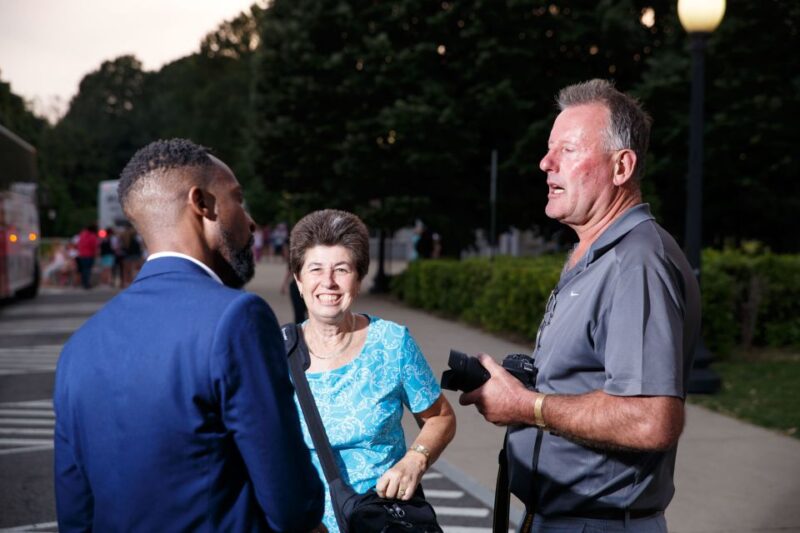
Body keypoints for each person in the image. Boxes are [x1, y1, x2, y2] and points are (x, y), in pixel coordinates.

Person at [460, 80, 700, 532]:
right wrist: (531, 385)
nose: (545, 163)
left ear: (621, 166)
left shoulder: (636, 263)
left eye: (567, 150)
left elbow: (651, 420)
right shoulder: (596, 254)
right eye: (550, 149)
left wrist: (526, 406)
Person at [54, 139, 326, 532]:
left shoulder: (79, 346)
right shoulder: (237, 318)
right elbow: (292, 504)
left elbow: (74, 514)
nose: (250, 222)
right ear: (202, 204)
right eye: (238, 199)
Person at [287, 209, 456, 532]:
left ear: (359, 278)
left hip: (380, 521)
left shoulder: (391, 343)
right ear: (299, 280)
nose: (328, 282)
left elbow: (440, 417)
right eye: (315, 269)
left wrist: (415, 459)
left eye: (342, 269)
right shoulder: (276, 353)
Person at [75, 223, 98, 289]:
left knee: (83, 269)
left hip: (82, 254)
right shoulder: (92, 236)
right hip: (89, 255)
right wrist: (95, 253)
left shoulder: (82, 234)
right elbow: (94, 246)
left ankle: (83, 283)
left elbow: (79, 244)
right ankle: (87, 284)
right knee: (88, 270)